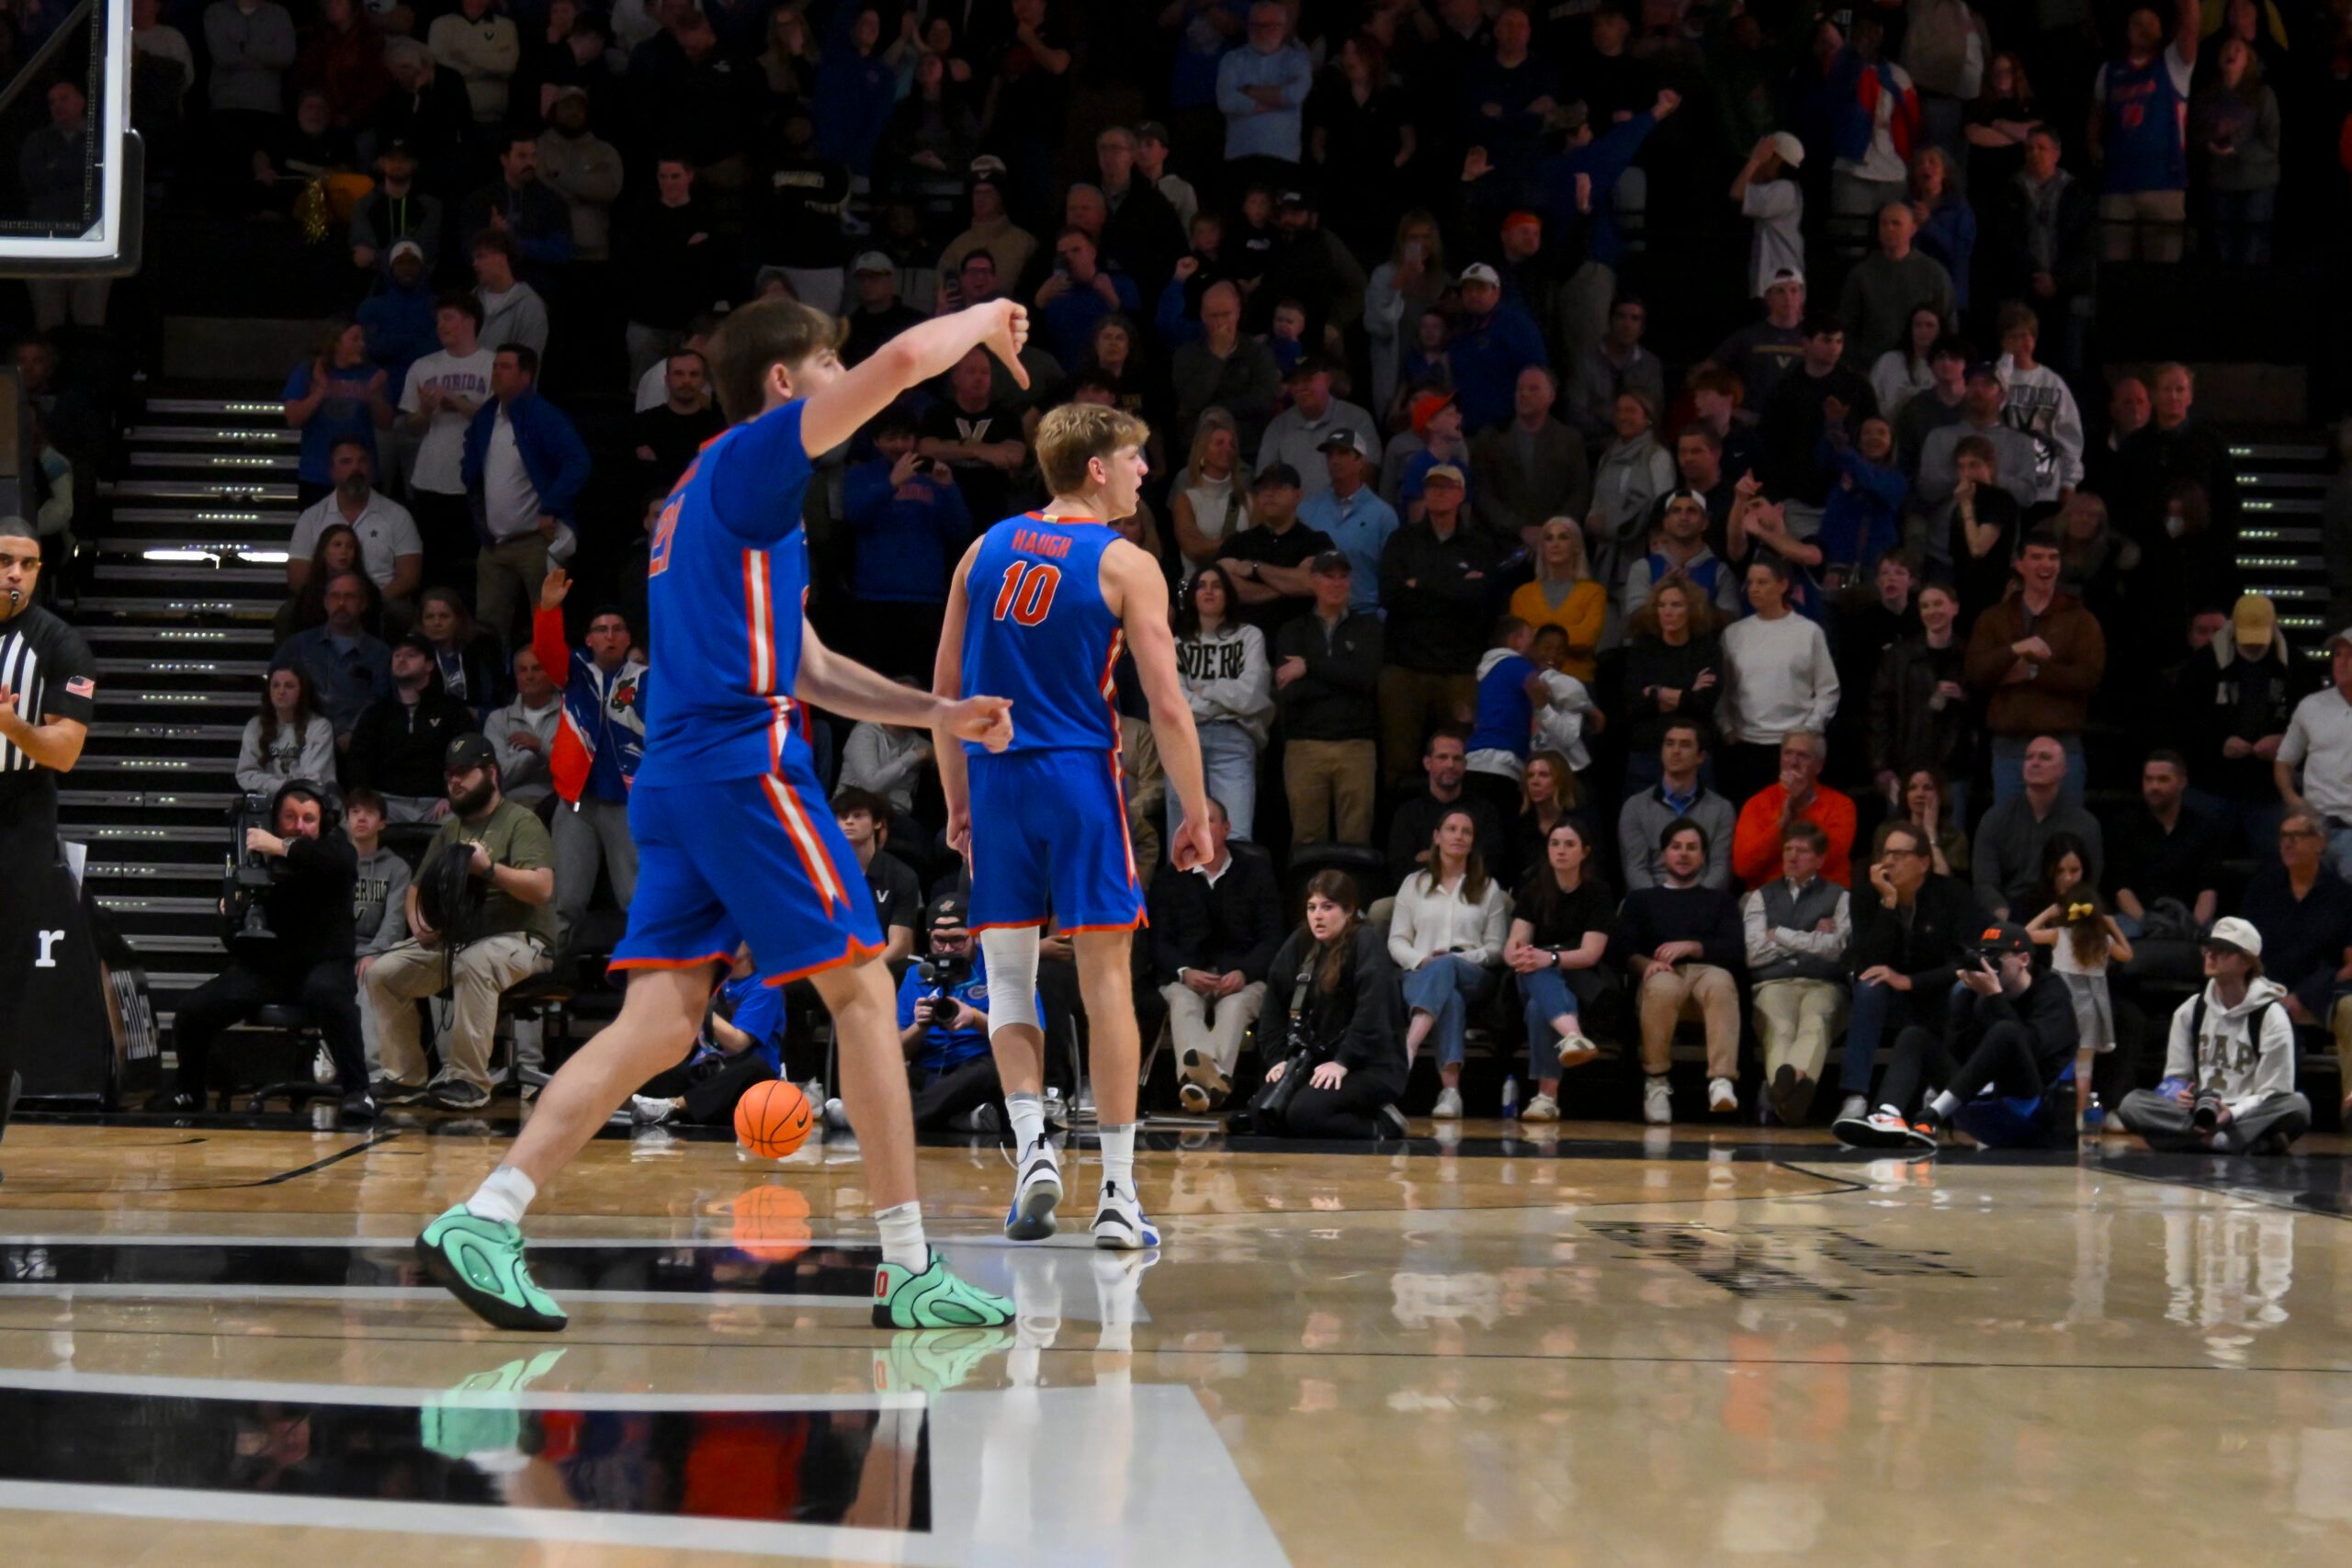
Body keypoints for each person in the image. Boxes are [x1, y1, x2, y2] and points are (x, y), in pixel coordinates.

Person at [414, 297, 1035, 1335]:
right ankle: (909, 1268)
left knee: (657, 1025)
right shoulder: (752, 457)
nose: (849, 374)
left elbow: (807, 664)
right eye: (828, 360)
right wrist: (979, 318)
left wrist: (938, 712)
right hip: (745, 768)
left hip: (679, 778)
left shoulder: (711, 504)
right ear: (786, 385)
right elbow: (896, 366)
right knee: (864, 993)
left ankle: (488, 1213)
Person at [934, 399, 1213, 1254]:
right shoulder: (1127, 562)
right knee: (1106, 985)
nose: (1142, 471)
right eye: (1134, 458)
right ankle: (1121, 1194)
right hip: (1078, 775)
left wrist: (957, 802)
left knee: (1009, 982)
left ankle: (1031, 1153)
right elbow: (1165, 703)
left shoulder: (983, 549)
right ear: (1096, 467)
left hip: (996, 777)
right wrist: (1196, 812)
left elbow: (943, 689)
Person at [156, 782, 373, 1118]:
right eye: (290, 817)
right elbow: (236, 941)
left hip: (325, 964)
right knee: (193, 1010)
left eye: (309, 819)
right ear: (275, 819)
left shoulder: (334, 850)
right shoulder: (255, 860)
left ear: (323, 823)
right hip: (269, 968)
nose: (300, 826)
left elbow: (342, 863)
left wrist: (281, 845)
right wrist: (230, 917)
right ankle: (189, 1089)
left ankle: (359, 1091)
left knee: (329, 993)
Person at [364, 733, 551, 1115]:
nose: (455, 782)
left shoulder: (521, 821)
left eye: (465, 772)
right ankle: (404, 1079)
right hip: (460, 940)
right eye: (450, 774)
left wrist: (490, 870)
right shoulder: (451, 830)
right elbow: (416, 889)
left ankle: (470, 1081)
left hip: (523, 940)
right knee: (383, 971)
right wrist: (419, 925)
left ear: (492, 773)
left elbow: (541, 888)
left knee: (474, 962)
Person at [0, 515, 96, 1160]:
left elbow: (64, 751)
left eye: (28, 564)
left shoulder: (61, 644)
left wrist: (12, 726)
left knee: (4, 986)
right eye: (5, 560)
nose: (14, 573)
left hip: (17, 818)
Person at [1834, 921, 2075, 1150]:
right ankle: (1887, 1114)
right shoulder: (1977, 995)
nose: (1987, 966)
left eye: (1995, 959)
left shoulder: (2051, 992)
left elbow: (2033, 1049)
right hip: (1978, 1102)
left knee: (2006, 1030)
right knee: (1914, 1036)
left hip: (2028, 1107)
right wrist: (1968, 1003)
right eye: (1983, 957)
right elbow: (1957, 1053)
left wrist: (1996, 999)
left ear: (2023, 960)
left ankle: (1931, 1116)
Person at [2113, 918, 2312, 1153]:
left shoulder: (2271, 1015)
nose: (2211, 955)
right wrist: (2180, 1094)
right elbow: (2176, 1077)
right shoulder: (2190, 1011)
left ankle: (2189, 1140)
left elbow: (2275, 1090)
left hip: (2247, 1111)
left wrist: (2232, 1113)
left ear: (2247, 961)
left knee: (2298, 1107)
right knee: (2131, 1104)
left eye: (2223, 951)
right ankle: (2234, 1142)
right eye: (2209, 948)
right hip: (2199, 1111)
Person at [1835, 819, 1984, 1121]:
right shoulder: (1866, 895)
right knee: (1868, 986)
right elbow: (1867, 960)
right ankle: (1856, 1096)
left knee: (1964, 988)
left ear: (1924, 863)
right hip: (1892, 993)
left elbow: (1965, 961)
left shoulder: (1952, 895)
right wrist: (1888, 903)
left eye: (1900, 855)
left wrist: (1911, 982)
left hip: (1937, 988)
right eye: (1886, 853)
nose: (1889, 862)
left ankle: (1941, 1085)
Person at [528, 570, 643, 949]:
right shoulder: (575, 673)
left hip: (627, 804)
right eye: (601, 629)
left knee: (636, 900)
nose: (609, 635)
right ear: (589, 639)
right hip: (576, 804)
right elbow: (546, 652)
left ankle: (649, 976)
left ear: (627, 638)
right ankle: (550, 974)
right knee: (567, 901)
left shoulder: (647, 680)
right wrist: (547, 609)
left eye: (617, 629)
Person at [1149, 797, 1282, 1112]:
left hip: (1242, 978)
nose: (1201, 828)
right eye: (1193, 821)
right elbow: (1158, 942)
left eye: (1209, 820)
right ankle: (1214, 1085)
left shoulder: (1256, 872)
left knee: (1234, 1007)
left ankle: (1197, 1086)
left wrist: (1244, 972)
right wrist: (1184, 971)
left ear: (1226, 829)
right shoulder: (1170, 877)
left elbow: (1272, 937)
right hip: (1187, 976)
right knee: (1182, 1003)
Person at [1611, 818, 1746, 1123]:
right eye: (1676, 847)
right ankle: (1657, 1081)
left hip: (1707, 971)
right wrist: (1646, 964)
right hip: (1660, 974)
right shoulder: (1641, 900)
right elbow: (1623, 950)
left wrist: (1693, 946)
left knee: (1721, 982)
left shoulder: (1721, 901)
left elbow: (1735, 951)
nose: (1683, 854)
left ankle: (1721, 1080)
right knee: (1662, 986)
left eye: (1692, 848)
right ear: (1663, 855)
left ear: (1703, 857)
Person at [1255, 872, 1408, 1140]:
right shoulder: (1301, 942)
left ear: (1348, 910)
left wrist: (1343, 1060)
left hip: (1368, 1065)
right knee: (1264, 1113)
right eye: (1312, 908)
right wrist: (1279, 1059)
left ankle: (1383, 1123)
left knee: (1304, 1114)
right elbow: (1273, 1006)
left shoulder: (1366, 941)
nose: (1318, 916)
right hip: (1316, 1061)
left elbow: (1372, 1012)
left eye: (1328, 907)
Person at [461, 344, 590, 646]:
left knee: (545, 624)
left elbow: (578, 461)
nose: (496, 373)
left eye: (505, 367)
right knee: (488, 629)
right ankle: (494, 690)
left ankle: (553, 691)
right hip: (493, 542)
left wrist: (552, 507)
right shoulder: (486, 416)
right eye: (495, 366)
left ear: (525, 375)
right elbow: (472, 463)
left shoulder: (543, 416)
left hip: (535, 540)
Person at [1963, 529, 2106, 802]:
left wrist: (2032, 672)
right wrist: (2015, 649)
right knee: (2011, 835)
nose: (2046, 565)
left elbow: (2088, 677)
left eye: (2053, 558)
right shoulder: (1994, 618)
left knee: (2064, 835)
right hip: (2010, 746)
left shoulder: (2081, 620)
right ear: (2019, 564)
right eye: (2037, 557)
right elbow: (1976, 672)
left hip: (2062, 743)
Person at [1377, 464, 1496, 787]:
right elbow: (1390, 595)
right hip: (1405, 667)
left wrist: (1420, 583)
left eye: (1446, 487)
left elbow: (1481, 600)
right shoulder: (1401, 541)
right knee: (1398, 762)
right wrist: (1455, 585)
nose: (1438, 493)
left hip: (1458, 670)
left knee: (1459, 760)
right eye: (1431, 487)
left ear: (1461, 494)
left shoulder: (1480, 546)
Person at [1389, 807, 1510, 1119]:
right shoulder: (1413, 884)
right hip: (1421, 973)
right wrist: (1423, 960)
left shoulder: (1488, 888)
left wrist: (1457, 959)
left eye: (1466, 832)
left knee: (1449, 971)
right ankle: (1451, 1092)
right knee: (1449, 997)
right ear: (1437, 837)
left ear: (1472, 842)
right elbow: (1396, 941)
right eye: (1452, 829)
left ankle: (1408, 1047)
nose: (1458, 836)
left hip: (1473, 974)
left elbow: (1497, 949)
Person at [2238, 810, 2352, 1117]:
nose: (2288, 844)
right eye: (2284, 837)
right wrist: (2267, 991)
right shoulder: (2263, 888)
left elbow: (2350, 963)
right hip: (2266, 985)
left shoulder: (2342, 894)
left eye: (2297, 837)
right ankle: (2260, 1108)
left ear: (2320, 842)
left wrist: (2304, 995)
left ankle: (2350, 1102)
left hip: (2323, 990)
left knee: (2351, 1010)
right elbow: (2244, 949)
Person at [1504, 818, 1613, 1122]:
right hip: (1530, 979)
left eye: (1569, 844)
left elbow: (1591, 954)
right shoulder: (1532, 890)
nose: (1561, 851)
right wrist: (1525, 956)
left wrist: (1549, 958)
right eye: (1555, 843)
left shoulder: (1598, 893)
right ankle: (1573, 1035)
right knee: (1533, 970)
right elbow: (1512, 947)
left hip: (1578, 984)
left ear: (1585, 851)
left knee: (1541, 1007)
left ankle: (1546, 1097)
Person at [1744, 820, 1852, 1124]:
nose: (1792, 856)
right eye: (1788, 849)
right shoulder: (1761, 896)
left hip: (1823, 983)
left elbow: (1837, 949)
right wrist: (1810, 937)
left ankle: (1782, 1095)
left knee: (1815, 1023)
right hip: (1774, 982)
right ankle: (1794, 1094)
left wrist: (1778, 933)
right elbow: (1754, 954)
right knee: (1779, 1028)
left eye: (1802, 851)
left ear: (1819, 859)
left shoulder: (1840, 896)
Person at [1275, 551, 1381, 846]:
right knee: (1307, 838)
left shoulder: (1369, 628)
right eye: (1327, 575)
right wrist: (1342, 677)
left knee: (1357, 837)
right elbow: (1291, 691)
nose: (1336, 583)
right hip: (1305, 745)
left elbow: (1365, 679)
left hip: (1357, 745)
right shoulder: (1293, 630)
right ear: (1312, 581)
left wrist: (1309, 667)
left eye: (1342, 576)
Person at [2023, 833, 2132, 1111]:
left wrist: (2048, 913)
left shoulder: (2059, 934)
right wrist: (2113, 926)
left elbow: (2025, 935)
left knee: (2059, 1060)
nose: (2068, 877)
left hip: (2061, 1005)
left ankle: (2050, 1112)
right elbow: (2128, 955)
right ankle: (2080, 1120)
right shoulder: (2103, 942)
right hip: (2091, 1008)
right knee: (2084, 1068)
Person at [1717, 555, 1839, 802]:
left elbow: (1828, 689)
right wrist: (1726, 726)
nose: (1754, 589)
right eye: (1750, 583)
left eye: (1762, 582)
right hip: (1746, 745)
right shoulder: (1734, 634)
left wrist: (1809, 729)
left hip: (1793, 746)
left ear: (1783, 585)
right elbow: (1723, 688)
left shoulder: (1808, 631)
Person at [625, 944, 787, 1130]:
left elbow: (738, 1044)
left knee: (754, 1068)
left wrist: (699, 1006)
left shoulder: (766, 987)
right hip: (708, 1070)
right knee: (657, 1061)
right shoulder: (714, 980)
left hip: (746, 1082)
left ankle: (673, 1106)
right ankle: (664, 1108)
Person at [1168, 566, 1272, 844]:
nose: (1209, 590)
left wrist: (1205, 690)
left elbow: (1253, 694)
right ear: (1192, 596)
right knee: (1183, 839)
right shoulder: (1174, 645)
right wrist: (1227, 700)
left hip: (1235, 737)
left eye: (1217, 585)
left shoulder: (1250, 637)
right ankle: (1188, 890)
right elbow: (1175, 703)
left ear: (1228, 595)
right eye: (1202, 585)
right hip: (1184, 742)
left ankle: (1234, 889)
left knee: (1236, 835)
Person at [2090, 0, 2199, 263]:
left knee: (2161, 273)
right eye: (2138, 23)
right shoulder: (2110, 70)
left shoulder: (2173, 63)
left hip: (2163, 183)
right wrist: (2093, 144)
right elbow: (2097, 112)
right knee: (2113, 271)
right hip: (2119, 184)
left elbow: (2191, 27)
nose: (2144, 28)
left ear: (2162, 30)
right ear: (2127, 31)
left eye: (2151, 23)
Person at [399, 293, 494, 593]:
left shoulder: (492, 364)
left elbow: (496, 419)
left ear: (470, 321)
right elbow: (411, 427)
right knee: (433, 563)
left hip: (476, 481)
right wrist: (426, 410)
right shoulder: (422, 367)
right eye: (439, 319)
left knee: (471, 565)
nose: (441, 325)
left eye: (448, 317)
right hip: (430, 479)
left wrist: (454, 400)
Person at [347, 634, 481, 821]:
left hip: (438, 802)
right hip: (386, 803)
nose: (402, 659)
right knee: (351, 823)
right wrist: (366, 799)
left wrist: (454, 794)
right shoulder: (376, 713)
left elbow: (468, 756)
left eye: (411, 655)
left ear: (429, 665)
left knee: (463, 819)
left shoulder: (452, 710)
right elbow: (358, 762)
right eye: (397, 655)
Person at [1973, 734, 2104, 919]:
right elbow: (1984, 884)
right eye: (2029, 757)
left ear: (2063, 769)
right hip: (2010, 913)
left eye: (2045, 757)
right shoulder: (1995, 819)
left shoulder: (2085, 824)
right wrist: (2006, 917)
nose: (2034, 763)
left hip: (2064, 914)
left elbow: (2089, 884)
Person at [287, 441, 422, 615]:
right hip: (326, 605)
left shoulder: (397, 515)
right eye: (346, 462)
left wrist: (369, 603)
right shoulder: (311, 517)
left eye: (362, 461)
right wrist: (331, 602)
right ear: (331, 471)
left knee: (401, 612)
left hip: (381, 603)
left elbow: (409, 577)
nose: (356, 468)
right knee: (289, 612)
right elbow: (297, 577)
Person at [1870, 580, 1974, 802]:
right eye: (1925, 606)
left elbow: (1982, 710)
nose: (1931, 611)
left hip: (1953, 770)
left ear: (1955, 608)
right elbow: (1880, 712)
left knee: (1949, 834)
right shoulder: (1899, 656)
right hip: (1906, 767)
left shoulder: (1970, 654)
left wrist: (1963, 698)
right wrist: (1882, 764)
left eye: (1938, 604)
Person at [1476, 368, 1590, 555]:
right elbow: (1485, 495)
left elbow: (1579, 493)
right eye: (1520, 389)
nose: (1524, 394)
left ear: (1550, 396)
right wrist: (1520, 529)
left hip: (1557, 548)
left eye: (1533, 389)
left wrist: (1550, 531)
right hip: (1502, 546)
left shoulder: (1569, 441)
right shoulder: (1492, 440)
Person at [271, 571, 391, 749]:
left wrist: (352, 734)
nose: (341, 604)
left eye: (349, 597)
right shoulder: (297, 646)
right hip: (302, 745)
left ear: (363, 604)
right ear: (326, 602)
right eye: (335, 597)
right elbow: (275, 694)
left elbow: (380, 703)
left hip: (359, 747)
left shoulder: (380, 653)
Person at [1731, 731, 1856, 891]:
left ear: (1818, 766)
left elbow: (1832, 859)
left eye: (1803, 756)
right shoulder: (1757, 803)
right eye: (1788, 753)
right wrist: (1783, 823)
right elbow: (1743, 868)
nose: (1793, 762)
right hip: (1769, 897)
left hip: (1822, 895)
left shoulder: (1841, 805)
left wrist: (1800, 808)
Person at [2275, 627, 2352, 880]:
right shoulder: (2312, 706)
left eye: (2350, 655)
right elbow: (2284, 760)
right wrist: (2292, 797)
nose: (2342, 662)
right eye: (2338, 654)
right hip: (2316, 825)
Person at [1386, 727, 1507, 886]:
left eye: (1457, 758)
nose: (1450, 764)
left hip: (1472, 892)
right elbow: (1399, 869)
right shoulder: (1407, 813)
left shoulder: (1486, 811)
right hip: (1419, 893)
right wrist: (1460, 857)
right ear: (1428, 763)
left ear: (1465, 765)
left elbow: (1491, 865)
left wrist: (1430, 856)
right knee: (1380, 909)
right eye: (1442, 757)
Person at [831, 789, 922, 970]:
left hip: (880, 962)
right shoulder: (821, 872)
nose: (849, 821)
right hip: (835, 965)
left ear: (878, 822)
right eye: (843, 817)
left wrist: (867, 971)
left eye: (858, 816)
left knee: (906, 967)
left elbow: (900, 943)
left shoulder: (901, 875)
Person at [1508, 518, 1604, 682]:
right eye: (1549, 538)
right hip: (1534, 683)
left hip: (1578, 681)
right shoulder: (1522, 594)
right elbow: (1518, 643)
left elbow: (1587, 639)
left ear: (1576, 546)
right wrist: (1567, 638)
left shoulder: (1593, 592)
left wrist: (1537, 634)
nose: (1555, 544)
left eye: (1563, 537)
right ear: (1542, 547)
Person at [236, 666, 335, 796]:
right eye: (276, 685)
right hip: (266, 804)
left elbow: (314, 779)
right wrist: (281, 786)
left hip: (307, 802)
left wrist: (284, 789)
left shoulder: (320, 727)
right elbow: (246, 774)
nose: (281, 691)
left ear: (302, 691)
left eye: (289, 686)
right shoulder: (256, 726)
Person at [484, 645, 560, 809]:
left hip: (558, 803)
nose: (529, 676)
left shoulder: (569, 716)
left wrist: (540, 747)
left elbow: (574, 772)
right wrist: (537, 753)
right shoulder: (498, 720)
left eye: (537, 669)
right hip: (509, 803)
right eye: (523, 670)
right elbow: (497, 777)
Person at [1873, 766, 1972, 879]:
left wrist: (1931, 835)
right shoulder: (1886, 832)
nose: (1919, 794)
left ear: (1940, 795)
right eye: (1912, 788)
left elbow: (1947, 885)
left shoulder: (1955, 838)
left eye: (1928, 788)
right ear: (1906, 795)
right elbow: (1883, 877)